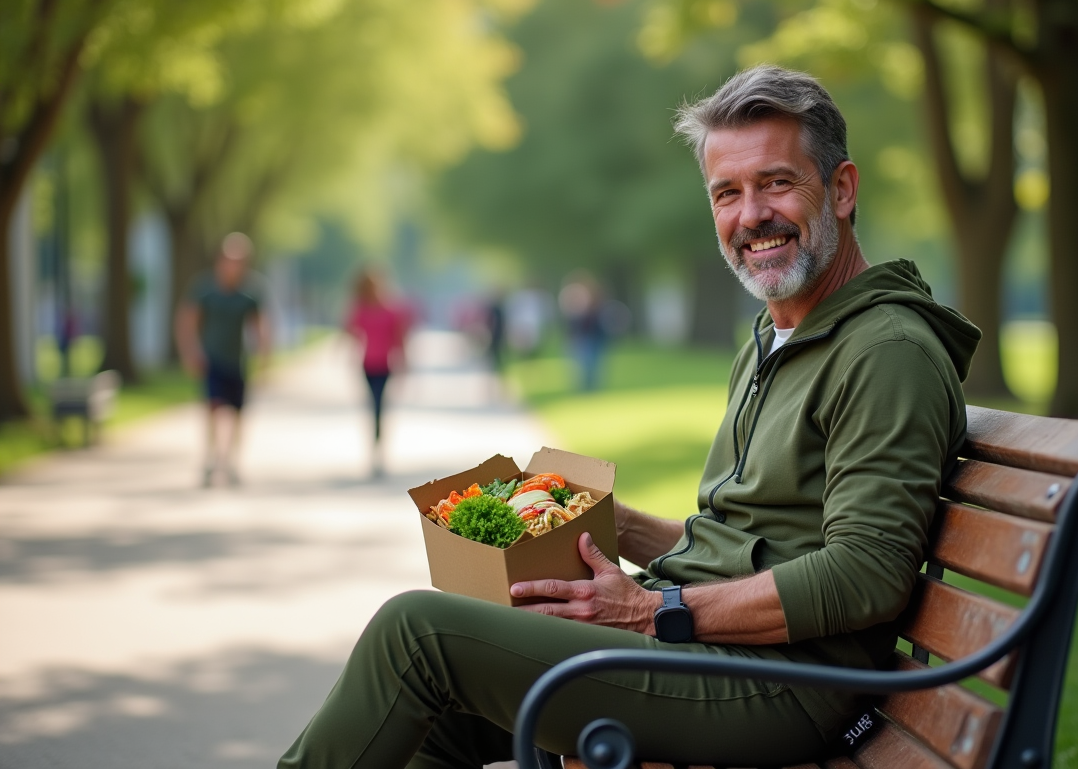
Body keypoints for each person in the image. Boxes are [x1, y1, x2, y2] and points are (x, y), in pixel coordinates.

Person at [278, 66, 980, 768]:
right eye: (727, 193)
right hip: (714, 657)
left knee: (419, 634)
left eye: (776, 183)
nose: (751, 215)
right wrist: (606, 525)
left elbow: (866, 573)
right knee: (431, 720)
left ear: (842, 189)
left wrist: (652, 610)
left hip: (778, 687)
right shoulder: (778, 339)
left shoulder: (886, 351)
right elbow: (745, 539)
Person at [175, 232, 270, 488]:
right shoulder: (205, 289)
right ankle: (210, 459)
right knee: (213, 410)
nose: (234, 265)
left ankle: (232, 461)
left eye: (240, 260)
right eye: (230, 259)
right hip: (212, 360)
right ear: (220, 260)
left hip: (237, 361)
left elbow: (260, 325)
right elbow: (187, 321)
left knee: (238, 414)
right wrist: (191, 352)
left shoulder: (250, 291)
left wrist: (263, 356)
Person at [345, 270, 417, 477]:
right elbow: (351, 332)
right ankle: (376, 447)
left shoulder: (391, 310)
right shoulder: (361, 309)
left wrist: (404, 362)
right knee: (374, 406)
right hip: (367, 364)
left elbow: (399, 338)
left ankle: (378, 448)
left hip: (385, 365)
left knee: (379, 406)